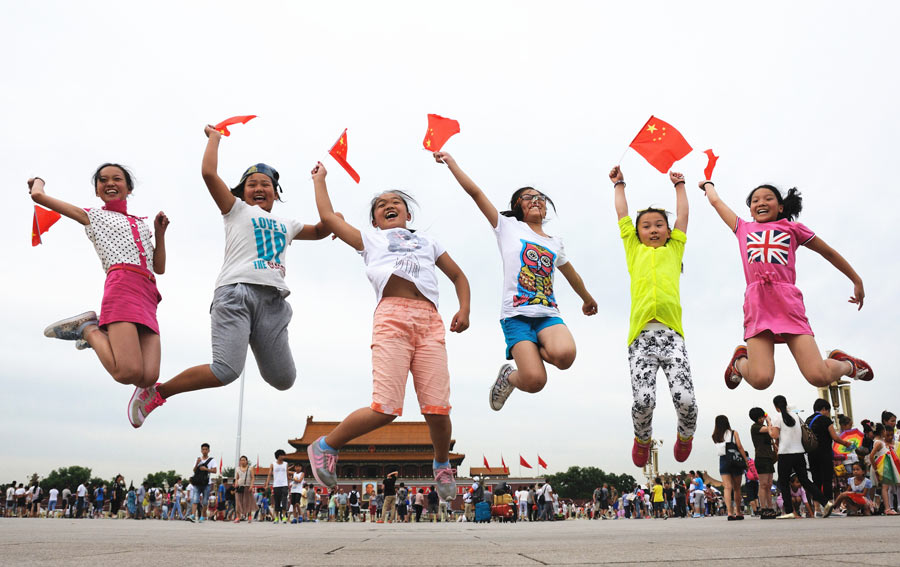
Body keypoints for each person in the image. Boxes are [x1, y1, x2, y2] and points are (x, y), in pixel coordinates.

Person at [128, 126, 331, 427]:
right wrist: (215, 138)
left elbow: (324, 228)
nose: (259, 188)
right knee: (226, 371)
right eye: (252, 184)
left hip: (273, 303)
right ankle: (157, 392)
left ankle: (255, 336)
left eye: (266, 184)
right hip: (236, 293)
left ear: (276, 193)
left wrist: (320, 183)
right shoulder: (235, 210)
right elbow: (209, 174)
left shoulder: (288, 224)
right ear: (241, 192)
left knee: (284, 379)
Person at [307, 163, 468, 503]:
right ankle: (326, 445)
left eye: (396, 202)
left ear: (408, 214)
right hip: (392, 318)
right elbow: (329, 217)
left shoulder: (428, 241)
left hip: (430, 322)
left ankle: (441, 463)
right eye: (381, 205)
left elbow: (458, 276)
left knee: (438, 409)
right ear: (375, 221)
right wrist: (320, 180)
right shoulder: (370, 239)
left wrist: (464, 308)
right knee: (385, 408)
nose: (388, 205)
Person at [433, 151, 597, 411]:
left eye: (540, 197)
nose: (536, 200)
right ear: (518, 206)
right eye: (528, 197)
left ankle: (535, 346)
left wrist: (587, 299)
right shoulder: (507, 226)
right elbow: (475, 193)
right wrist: (451, 163)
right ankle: (508, 376)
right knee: (535, 381)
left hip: (547, 314)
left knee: (565, 357)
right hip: (516, 315)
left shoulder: (555, 242)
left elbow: (572, 274)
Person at [698, 179, 871, 391]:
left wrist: (856, 279)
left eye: (768, 198)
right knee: (761, 380)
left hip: (787, 302)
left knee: (818, 376)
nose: (761, 202)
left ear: (780, 207)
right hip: (758, 303)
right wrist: (707, 184)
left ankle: (847, 365)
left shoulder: (793, 229)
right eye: (755, 200)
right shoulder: (742, 228)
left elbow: (828, 252)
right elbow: (716, 202)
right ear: (750, 210)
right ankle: (739, 362)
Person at [28, 168, 169, 403]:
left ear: (129, 188)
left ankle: (97, 329)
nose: (109, 183)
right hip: (122, 285)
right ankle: (88, 329)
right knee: (127, 373)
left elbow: (159, 267)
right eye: (102, 181)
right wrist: (38, 181)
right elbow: (38, 197)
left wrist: (159, 234)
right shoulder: (93, 216)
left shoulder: (140, 224)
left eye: (117, 179)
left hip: (148, 293)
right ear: (97, 191)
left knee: (148, 377)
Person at [610, 166, 698, 466]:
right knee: (643, 401)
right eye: (646, 226)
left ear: (669, 231)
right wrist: (619, 184)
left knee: (686, 400)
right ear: (637, 234)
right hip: (641, 337)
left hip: (672, 336)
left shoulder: (675, 249)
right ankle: (642, 438)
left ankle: (686, 435)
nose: (653, 229)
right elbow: (622, 215)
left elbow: (683, 216)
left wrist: (680, 185)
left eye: (659, 225)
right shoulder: (633, 249)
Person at [769, 395, 831, 519]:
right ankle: (826, 502)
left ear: (776, 407)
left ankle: (789, 511)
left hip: (785, 454)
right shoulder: (796, 416)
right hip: (799, 453)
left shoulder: (777, 417)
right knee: (805, 481)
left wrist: (770, 425)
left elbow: (774, 435)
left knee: (784, 483)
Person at [806, 399, 852, 511]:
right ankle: (829, 507)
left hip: (811, 454)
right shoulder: (826, 420)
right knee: (827, 479)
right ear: (824, 409)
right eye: (828, 411)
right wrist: (845, 443)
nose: (828, 413)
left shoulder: (808, 420)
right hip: (824, 453)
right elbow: (834, 437)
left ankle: (817, 508)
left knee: (816, 480)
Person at [712, 415, 750, 520]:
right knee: (737, 488)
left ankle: (729, 512)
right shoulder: (734, 433)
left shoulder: (715, 436)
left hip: (723, 461)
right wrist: (746, 460)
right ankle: (738, 512)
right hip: (735, 460)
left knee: (727, 487)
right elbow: (739, 447)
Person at [748, 407, 777, 518]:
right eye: (759, 418)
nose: (762, 419)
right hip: (761, 458)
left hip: (769, 457)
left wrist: (766, 417)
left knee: (769, 484)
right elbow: (770, 429)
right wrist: (768, 420)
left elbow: (772, 432)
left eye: (762, 417)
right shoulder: (755, 427)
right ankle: (763, 508)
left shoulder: (764, 426)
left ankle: (770, 507)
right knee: (763, 484)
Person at [869, 423, 898, 514]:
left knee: (885, 487)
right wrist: (876, 469)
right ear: (882, 431)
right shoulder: (878, 442)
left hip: (884, 466)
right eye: (885, 430)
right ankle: (887, 508)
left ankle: (885, 507)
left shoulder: (879, 441)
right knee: (885, 488)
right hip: (882, 467)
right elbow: (871, 456)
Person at [189, 442, 217, 522]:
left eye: (206, 449)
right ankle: (193, 515)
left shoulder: (212, 460)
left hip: (206, 483)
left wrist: (206, 469)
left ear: (209, 450)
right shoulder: (198, 459)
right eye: (203, 449)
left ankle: (202, 516)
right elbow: (194, 470)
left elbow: (215, 471)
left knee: (205, 501)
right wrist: (197, 463)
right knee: (195, 500)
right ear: (201, 450)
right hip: (197, 483)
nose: (204, 451)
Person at [264, 449, 291, 524]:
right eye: (282, 455)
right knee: (277, 501)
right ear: (278, 456)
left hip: (284, 485)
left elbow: (287, 474)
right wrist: (267, 484)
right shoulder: (273, 464)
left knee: (284, 500)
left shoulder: (286, 464)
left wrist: (288, 484)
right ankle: (276, 517)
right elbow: (269, 474)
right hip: (276, 485)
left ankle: (284, 517)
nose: (283, 457)